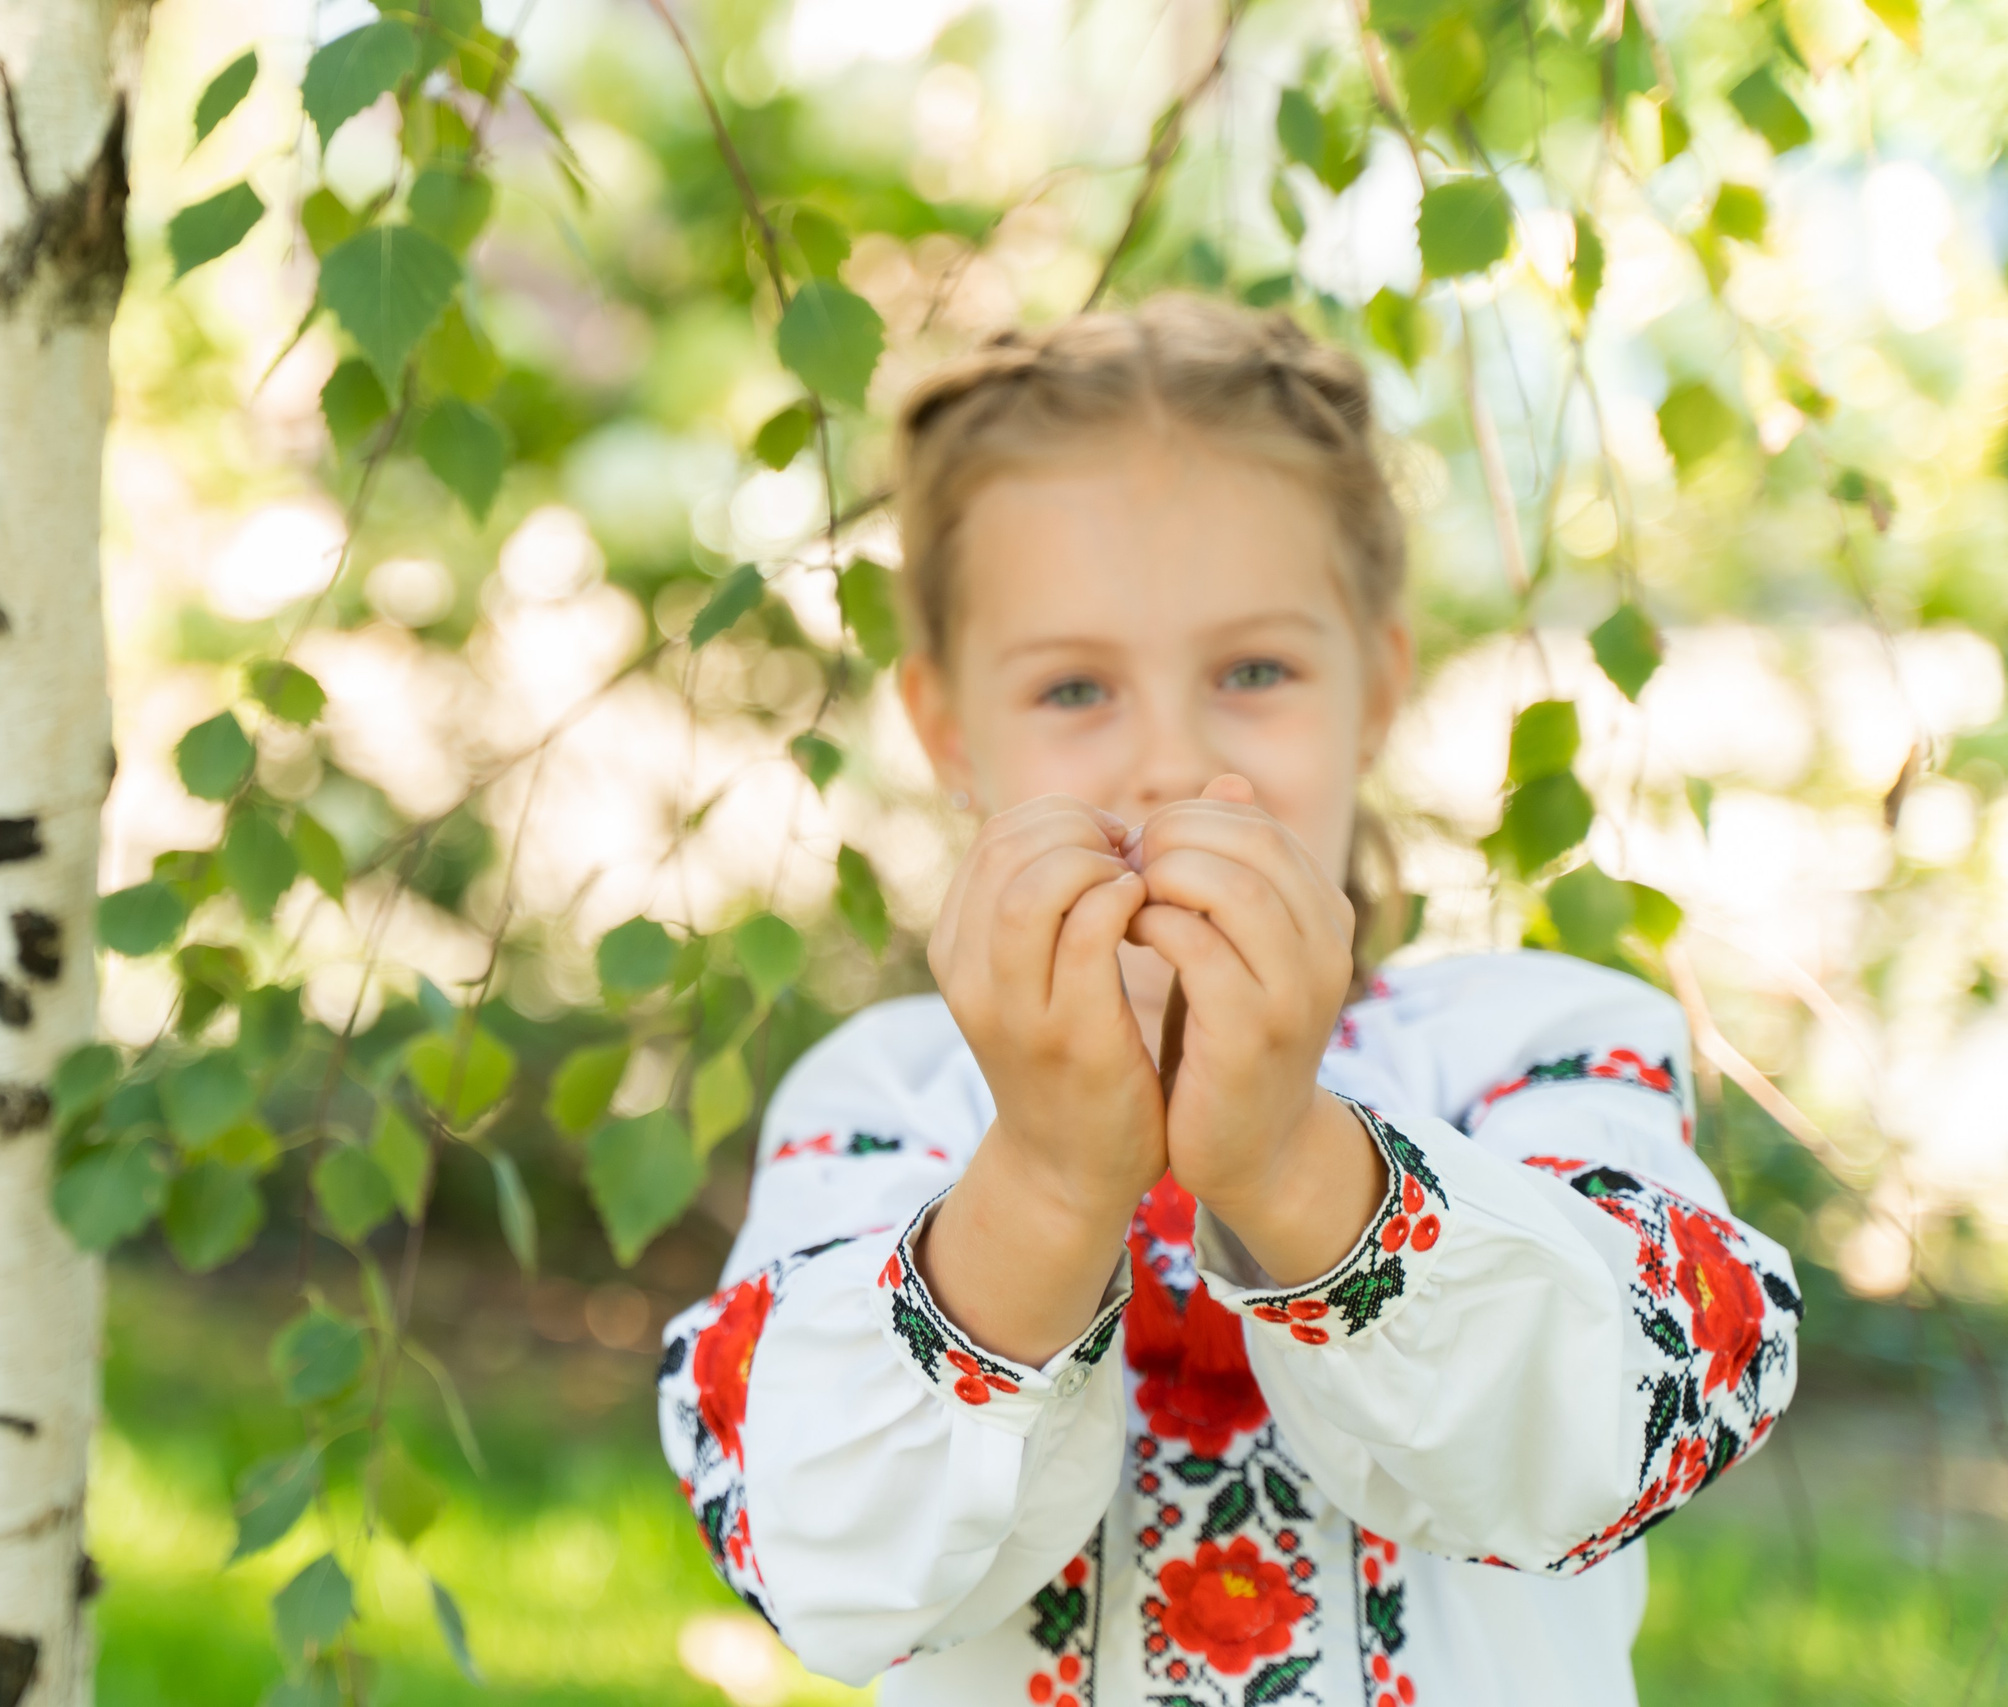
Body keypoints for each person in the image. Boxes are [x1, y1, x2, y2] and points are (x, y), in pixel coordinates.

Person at [655, 295, 1800, 1707]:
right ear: (949, 729)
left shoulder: (1540, 1046)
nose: (1170, 759)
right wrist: (1050, 1178)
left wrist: (1285, 1157)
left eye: (1254, 672)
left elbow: (1611, 1432)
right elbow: (823, 1557)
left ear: (1374, 686)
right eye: (1075, 687)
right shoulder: (886, 1100)